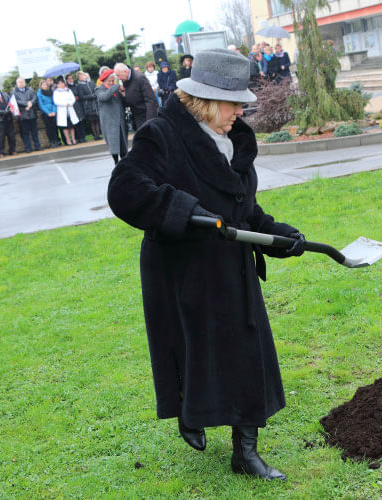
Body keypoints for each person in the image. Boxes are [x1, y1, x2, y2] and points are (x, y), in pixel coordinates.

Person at [106, 48, 305, 481]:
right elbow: (125, 189)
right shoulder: (161, 134)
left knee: (245, 352)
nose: (240, 111)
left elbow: (242, 207)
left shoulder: (234, 138)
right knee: (193, 350)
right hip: (183, 268)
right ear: (206, 100)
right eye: (233, 103)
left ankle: (245, 452)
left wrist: (276, 234)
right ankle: (189, 412)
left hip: (230, 264)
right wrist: (181, 209)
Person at [95, 68, 128, 164]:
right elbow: (105, 97)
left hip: (120, 120)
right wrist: (116, 85)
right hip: (109, 121)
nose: (111, 83)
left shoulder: (115, 89)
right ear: (104, 81)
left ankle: (124, 163)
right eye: (109, 81)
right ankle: (116, 163)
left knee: (123, 145)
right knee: (113, 145)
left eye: (113, 81)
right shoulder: (99, 89)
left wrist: (123, 94)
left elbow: (124, 102)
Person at [113, 62, 158, 131]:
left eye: (118, 75)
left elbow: (151, 100)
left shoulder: (140, 78)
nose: (118, 78)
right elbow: (131, 96)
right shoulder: (125, 79)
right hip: (136, 115)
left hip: (145, 115)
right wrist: (124, 95)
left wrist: (150, 121)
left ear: (125, 71)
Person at [12, 77, 41, 153]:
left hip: (32, 114)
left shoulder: (30, 90)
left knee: (35, 131)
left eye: (22, 82)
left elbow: (34, 98)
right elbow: (16, 101)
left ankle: (37, 146)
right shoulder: (14, 92)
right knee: (25, 133)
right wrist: (26, 104)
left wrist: (30, 103)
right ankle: (28, 148)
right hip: (22, 115)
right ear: (17, 83)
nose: (21, 83)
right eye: (19, 82)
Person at [53, 77, 79, 145]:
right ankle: (68, 140)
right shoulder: (56, 92)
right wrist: (64, 104)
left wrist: (70, 103)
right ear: (57, 84)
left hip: (70, 109)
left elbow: (73, 98)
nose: (61, 84)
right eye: (60, 83)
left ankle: (73, 139)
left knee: (72, 126)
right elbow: (56, 101)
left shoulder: (68, 90)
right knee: (65, 127)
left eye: (62, 83)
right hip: (62, 110)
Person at [76, 72, 101, 140]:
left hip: (95, 104)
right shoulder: (79, 86)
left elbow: (96, 90)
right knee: (92, 121)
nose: (84, 76)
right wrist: (92, 96)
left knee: (97, 120)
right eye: (82, 75)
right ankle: (95, 135)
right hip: (88, 105)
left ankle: (98, 135)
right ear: (79, 77)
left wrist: (95, 95)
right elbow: (81, 96)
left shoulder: (91, 83)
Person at [37, 80, 60, 148]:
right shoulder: (39, 94)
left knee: (55, 127)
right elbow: (41, 105)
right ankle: (52, 141)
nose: (45, 86)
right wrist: (48, 113)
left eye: (46, 85)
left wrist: (54, 111)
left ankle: (57, 140)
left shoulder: (51, 92)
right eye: (43, 85)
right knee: (49, 128)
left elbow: (54, 102)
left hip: (53, 112)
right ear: (41, 86)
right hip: (46, 113)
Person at [66, 73, 87, 143]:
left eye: (72, 78)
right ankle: (78, 137)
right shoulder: (67, 88)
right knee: (75, 122)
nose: (71, 80)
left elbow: (80, 94)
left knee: (80, 121)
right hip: (72, 106)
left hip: (78, 104)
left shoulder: (76, 86)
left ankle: (83, 136)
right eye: (69, 79)